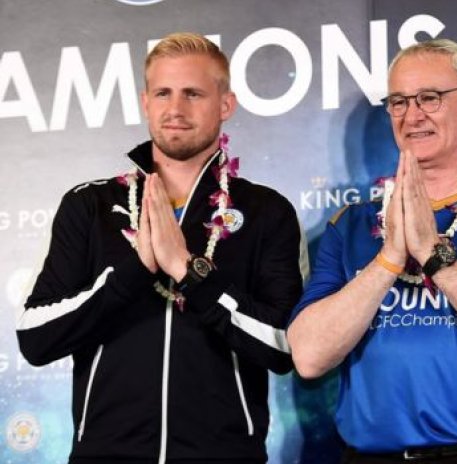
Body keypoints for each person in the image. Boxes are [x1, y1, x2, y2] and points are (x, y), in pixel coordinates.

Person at [16, 32, 302, 463]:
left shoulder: (266, 211)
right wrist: (135, 270)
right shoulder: (89, 205)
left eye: (193, 93)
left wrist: (188, 271)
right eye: (163, 93)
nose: (176, 109)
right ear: (145, 101)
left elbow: (283, 347)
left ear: (226, 104)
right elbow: (36, 339)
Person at [286, 38, 457, 463]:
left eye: (430, 98)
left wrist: (435, 256)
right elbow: (307, 357)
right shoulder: (352, 224)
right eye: (398, 102)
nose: (412, 116)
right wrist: (388, 261)